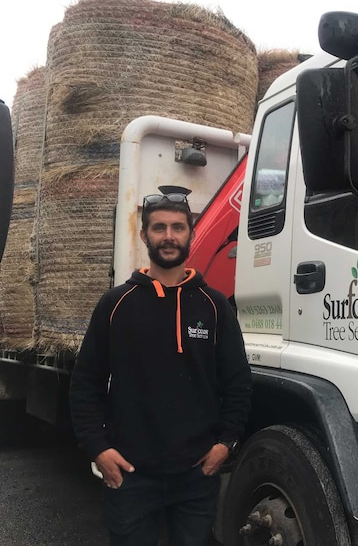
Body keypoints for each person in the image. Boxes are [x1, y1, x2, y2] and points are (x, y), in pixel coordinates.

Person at [69, 192, 253, 546]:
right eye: (159, 228)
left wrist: (226, 444)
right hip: (131, 474)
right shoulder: (115, 304)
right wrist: (97, 448)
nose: (169, 236)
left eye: (178, 227)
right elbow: (86, 382)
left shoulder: (214, 305)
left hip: (196, 474)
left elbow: (237, 382)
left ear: (191, 234)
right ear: (144, 236)